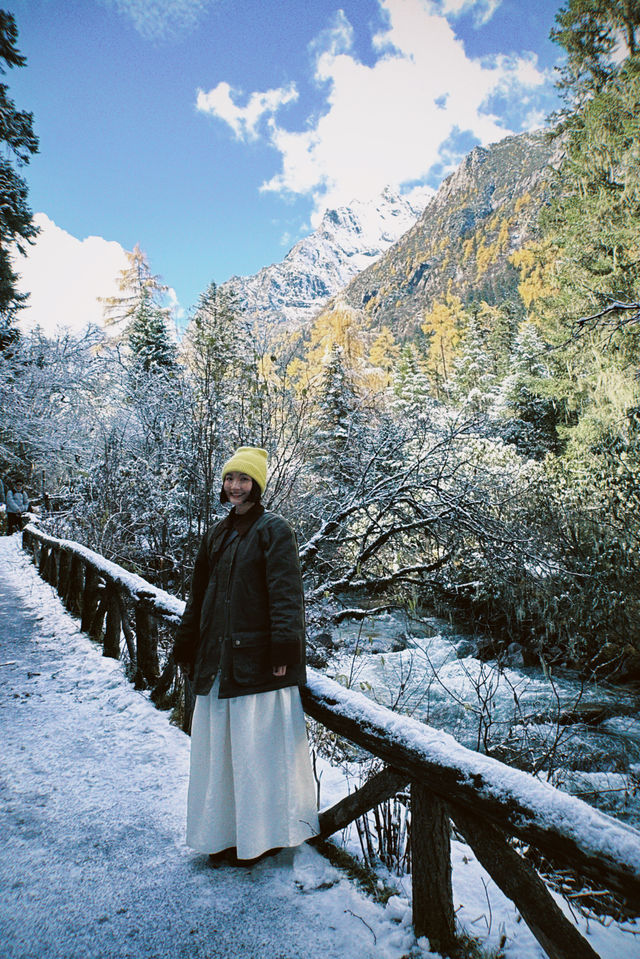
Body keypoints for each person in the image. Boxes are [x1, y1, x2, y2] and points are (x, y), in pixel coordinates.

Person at [172, 446, 319, 864]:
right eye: (229, 479)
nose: (235, 486)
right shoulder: (217, 533)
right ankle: (224, 836)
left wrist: (284, 653)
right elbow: (198, 597)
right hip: (217, 661)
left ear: (258, 483)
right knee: (221, 755)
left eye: (243, 479)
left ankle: (260, 841)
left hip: (255, 664)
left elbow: (286, 597)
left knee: (255, 756)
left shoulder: (275, 530)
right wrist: (187, 644)